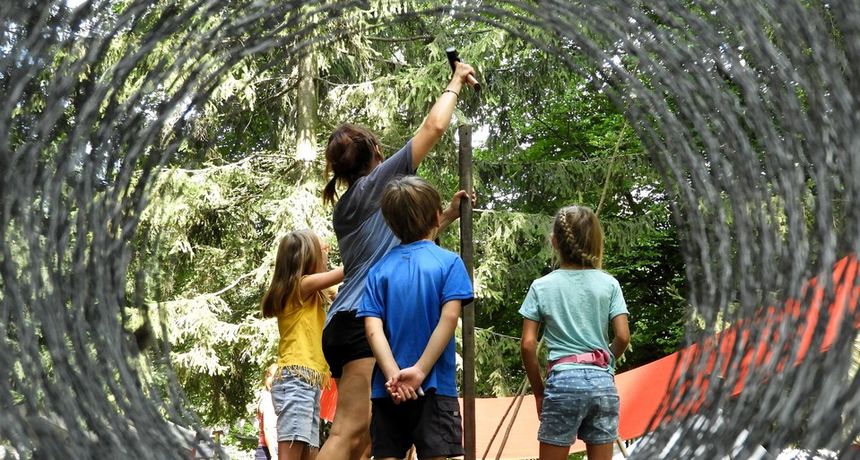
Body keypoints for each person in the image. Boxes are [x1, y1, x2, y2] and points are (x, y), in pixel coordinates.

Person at [318, 60, 476, 460]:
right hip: (361, 320)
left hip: (343, 322)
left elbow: (403, 240)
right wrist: (456, 80)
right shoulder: (377, 183)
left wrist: (445, 218)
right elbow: (434, 128)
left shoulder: (347, 206)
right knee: (349, 431)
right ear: (375, 152)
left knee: (370, 437)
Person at [358, 176, 473, 459]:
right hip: (434, 387)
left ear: (391, 224)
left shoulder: (378, 270)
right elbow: (448, 319)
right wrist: (419, 371)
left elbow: (373, 329)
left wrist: (392, 376)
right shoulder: (449, 263)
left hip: (388, 392)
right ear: (436, 216)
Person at [519, 205, 631, 460]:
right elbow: (623, 337)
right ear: (595, 242)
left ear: (554, 242)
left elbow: (527, 344)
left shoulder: (541, 287)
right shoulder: (609, 284)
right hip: (602, 384)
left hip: (563, 383)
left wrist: (539, 392)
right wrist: (605, 361)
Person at [261, 230, 344, 460]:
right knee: (292, 452)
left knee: (310, 453)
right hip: (296, 379)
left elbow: (342, 290)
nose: (326, 252)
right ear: (308, 257)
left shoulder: (312, 292)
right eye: (322, 250)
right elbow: (347, 271)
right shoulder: (300, 287)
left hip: (308, 381)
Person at [256, 364, 279, 460]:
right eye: (269, 376)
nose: (272, 380)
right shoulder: (268, 398)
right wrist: (273, 455)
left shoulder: (270, 398)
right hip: (269, 450)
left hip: (270, 448)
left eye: (276, 377)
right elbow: (267, 428)